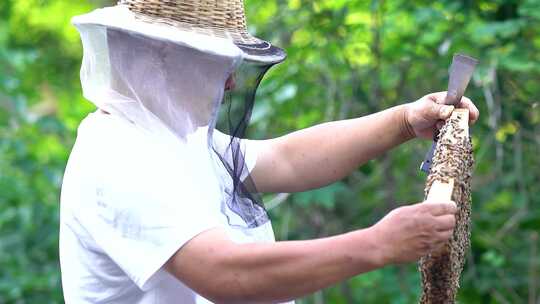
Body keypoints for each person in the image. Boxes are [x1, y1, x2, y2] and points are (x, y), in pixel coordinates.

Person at [59, 1, 480, 303]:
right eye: (217, 65)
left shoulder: (167, 138)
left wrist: (404, 120)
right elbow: (225, 274)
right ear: (161, 59)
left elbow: (287, 159)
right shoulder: (117, 159)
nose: (229, 85)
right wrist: (378, 244)